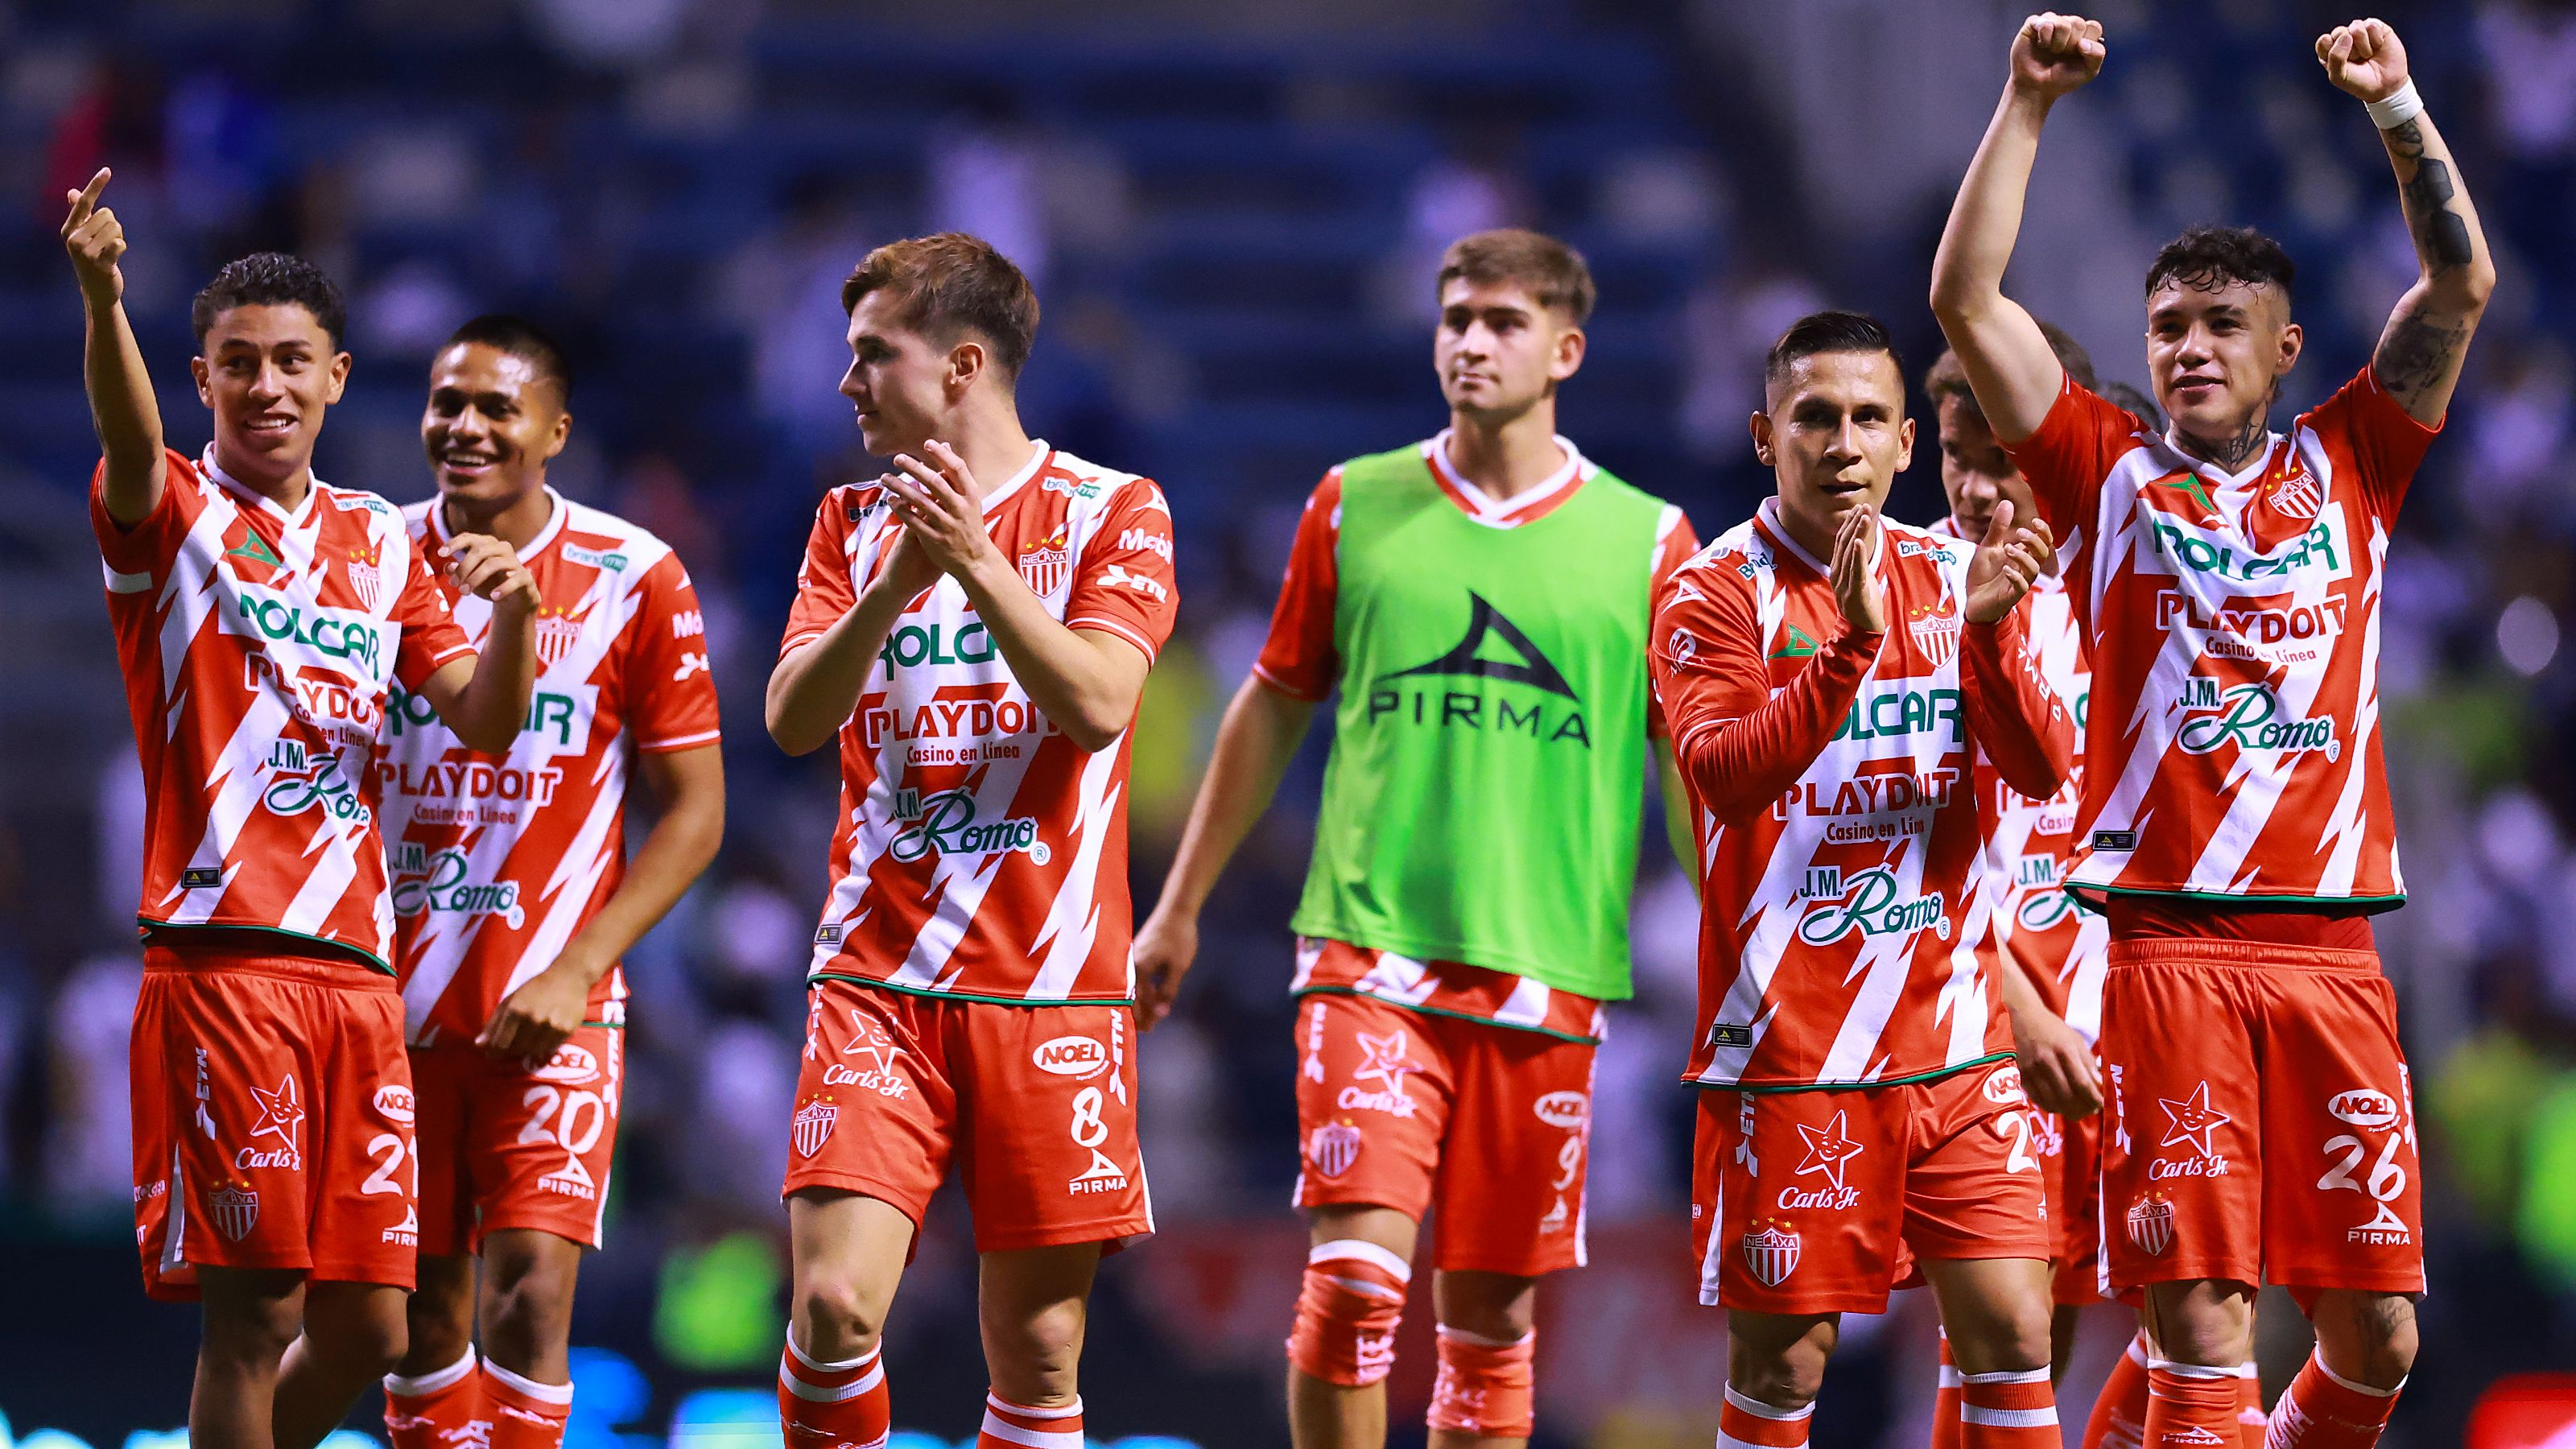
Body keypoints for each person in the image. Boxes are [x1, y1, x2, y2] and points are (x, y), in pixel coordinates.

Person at [1928, 14, 2494, 1447]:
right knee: (2205, 1318)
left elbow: (2461, 281)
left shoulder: (2356, 460)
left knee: (2378, 1337)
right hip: (2173, 948)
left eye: (2217, 326)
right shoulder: (2104, 472)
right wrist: (2027, 102)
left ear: (2283, 347)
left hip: (2336, 952)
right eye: (2167, 326)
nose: (2186, 349)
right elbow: (1966, 296)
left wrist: (2397, 104)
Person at [1129, 228, 1698, 1449]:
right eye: (1455, 319)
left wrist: (1739, 945)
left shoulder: (1651, 543)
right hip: (1371, 958)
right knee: (1350, 1295)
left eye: (1501, 322)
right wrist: (1176, 906)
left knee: (1490, 1340)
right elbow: (1273, 702)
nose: (1471, 343)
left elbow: (1690, 763)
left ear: (1567, 349)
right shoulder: (1357, 503)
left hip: (1550, 974)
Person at [63, 170, 540, 1449]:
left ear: (336, 378)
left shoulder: (386, 543)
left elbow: (485, 720)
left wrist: (524, 617)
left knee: (375, 1331)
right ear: (202, 380)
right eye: (236, 364)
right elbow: (122, 435)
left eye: (291, 362)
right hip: (225, 963)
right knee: (253, 1315)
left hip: (358, 982)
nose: (265, 385)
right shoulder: (167, 513)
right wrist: (105, 301)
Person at [762, 233, 1178, 1449]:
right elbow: (792, 719)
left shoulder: (1114, 509)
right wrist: (893, 587)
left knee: (1041, 1354)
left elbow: (1099, 703)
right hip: (877, 980)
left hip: (1050, 991)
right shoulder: (846, 523)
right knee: (835, 1306)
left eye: (869, 355)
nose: (844, 383)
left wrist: (978, 564)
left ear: (961, 363)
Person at [1649, 310, 2073, 1449]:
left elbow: (2040, 769)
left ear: (1903, 447)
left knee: (2015, 1334)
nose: (1843, 443)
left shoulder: (1956, 573)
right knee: (1785, 1362)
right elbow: (1724, 777)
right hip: (1795, 1048)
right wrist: (1848, 650)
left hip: (1956, 1038)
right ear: (1763, 436)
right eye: (1815, 418)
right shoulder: (1712, 592)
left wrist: (1986, 641)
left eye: (1869, 419)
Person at [376, 316, 727, 1449]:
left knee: (531, 1301)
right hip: (392, 1008)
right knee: (424, 1320)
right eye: (447, 403)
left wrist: (582, 966)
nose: (465, 427)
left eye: (496, 408)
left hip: (555, 1009)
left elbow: (698, 810)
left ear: (556, 431)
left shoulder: (636, 574)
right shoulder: (368, 556)